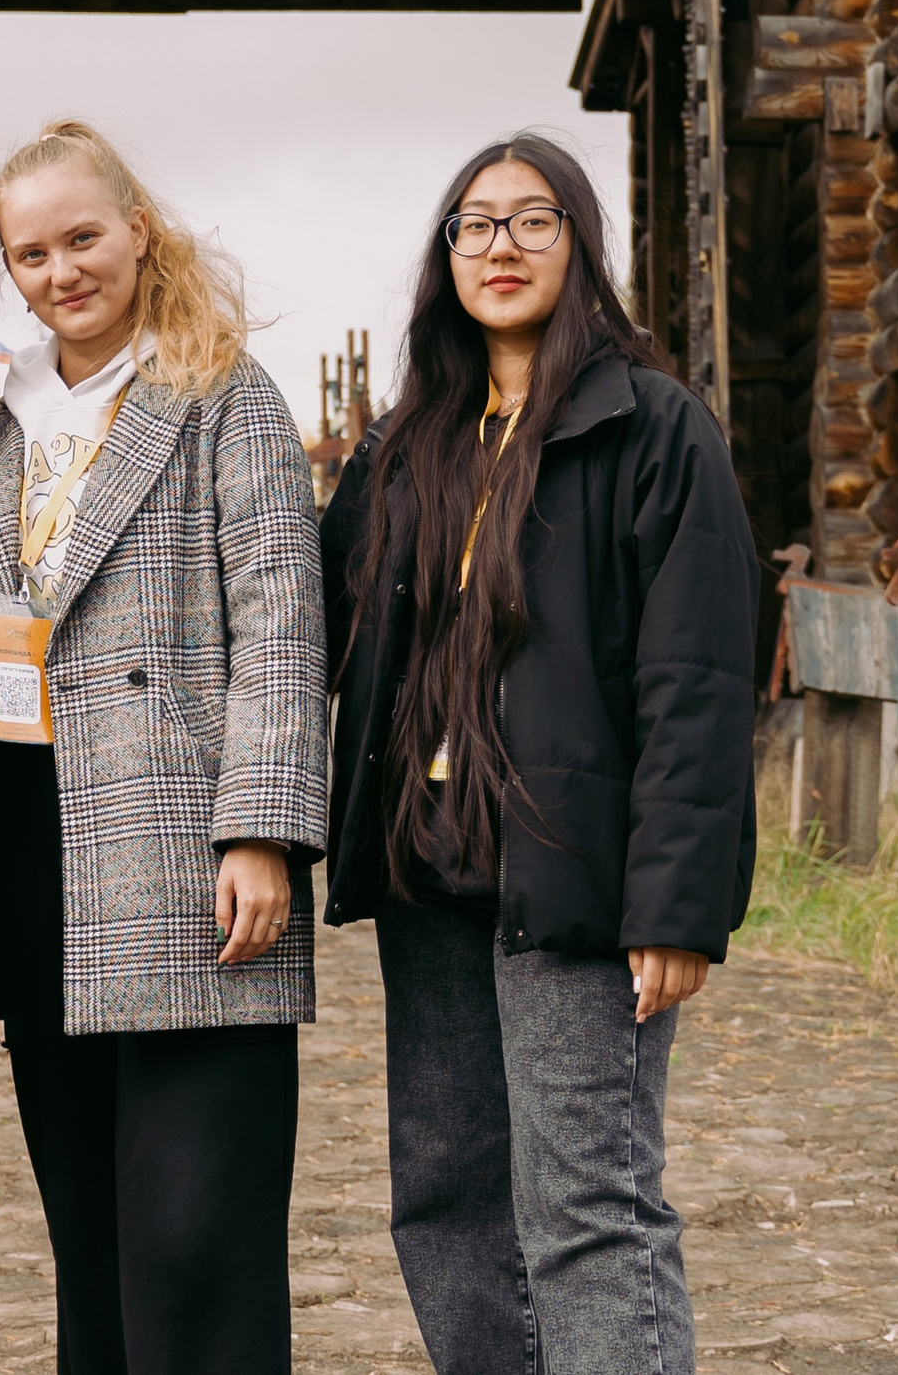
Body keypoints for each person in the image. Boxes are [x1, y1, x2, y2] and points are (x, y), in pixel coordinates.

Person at [319, 132, 757, 1375]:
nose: (499, 246)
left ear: (580, 244)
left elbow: (699, 685)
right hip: (428, 871)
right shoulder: (409, 446)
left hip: (575, 879)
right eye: (473, 225)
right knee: (446, 1202)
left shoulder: (654, 429)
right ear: (442, 259)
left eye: (532, 220)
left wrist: (673, 906)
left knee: (586, 1212)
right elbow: (314, 609)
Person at [0, 121, 326, 1375]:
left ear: (138, 231)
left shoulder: (223, 392)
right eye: (30, 253)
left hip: (185, 858)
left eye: (82, 238)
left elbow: (282, 616)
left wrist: (263, 829)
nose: (60, 271)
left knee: (193, 1239)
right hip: (35, 844)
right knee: (91, 1242)